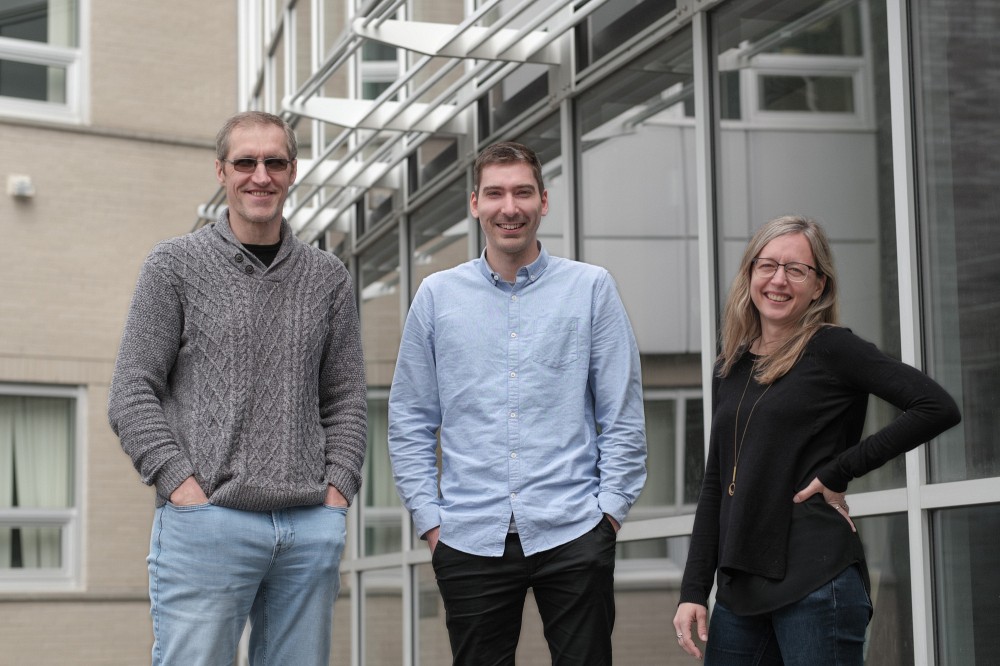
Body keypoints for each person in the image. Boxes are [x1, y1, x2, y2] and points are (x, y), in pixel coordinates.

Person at [107, 111, 367, 666]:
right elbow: (132, 390)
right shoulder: (173, 265)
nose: (261, 175)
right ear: (221, 171)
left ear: (293, 171)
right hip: (209, 524)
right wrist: (183, 488)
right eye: (245, 162)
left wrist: (336, 494)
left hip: (307, 529)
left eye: (275, 162)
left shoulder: (328, 277)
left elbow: (344, 398)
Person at [388, 141, 647, 665]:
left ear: (544, 202)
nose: (510, 207)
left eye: (523, 192)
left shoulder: (591, 289)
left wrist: (609, 515)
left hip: (574, 529)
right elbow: (410, 419)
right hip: (467, 535)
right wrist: (431, 522)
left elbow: (621, 412)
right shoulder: (436, 297)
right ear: (474, 203)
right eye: (496, 193)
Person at [672, 215, 961, 664]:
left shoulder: (832, 347)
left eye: (796, 269)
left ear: (819, 286)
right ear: (749, 274)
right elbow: (716, 484)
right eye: (767, 265)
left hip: (815, 580)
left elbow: (935, 406)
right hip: (739, 589)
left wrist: (838, 471)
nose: (778, 280)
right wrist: (693, 589)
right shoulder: (730, 366)